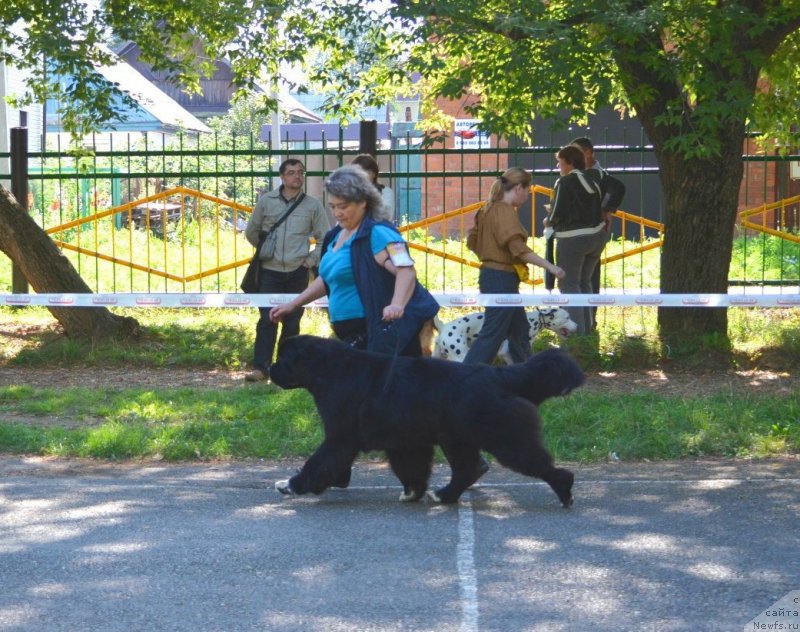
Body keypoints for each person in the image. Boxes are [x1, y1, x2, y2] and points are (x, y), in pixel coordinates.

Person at [270, 164, 437, 358]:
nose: (337, 213)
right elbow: (327, 279)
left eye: (343, 206)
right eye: (333, 206)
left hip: (379, 334)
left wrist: (397, 305)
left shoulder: (380, 232)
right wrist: (293, 305)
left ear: (363, 202)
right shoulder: (334, 236)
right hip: (349, 333)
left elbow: (405, 270)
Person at [463, 167, 565, 365]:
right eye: (528, 190)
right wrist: (551, 267)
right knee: (493, 333)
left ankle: (525, 373)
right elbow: (518, 249)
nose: (527, 196)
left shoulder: (486, 209)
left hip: (494, 276)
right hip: (501, 279)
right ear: (518, 188)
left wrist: (490, 256)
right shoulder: (504, 211)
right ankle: (467, 375)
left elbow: (472, 241)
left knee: (519, 330)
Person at [244, 159, 330, 382]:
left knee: (292, 322)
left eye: (300, 172)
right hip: (269, 271)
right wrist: (266, 251)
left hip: (297, 271)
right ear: (282, 177)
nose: (297, 176)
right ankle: (260, 368)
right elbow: (252, 231)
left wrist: (309, 261)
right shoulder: (267, 201)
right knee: (267, 320)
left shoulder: (313, 205)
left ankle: (285, 369)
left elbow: (325, 238)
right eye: (291, 173)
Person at [544, 145, 608, 335]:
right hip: (596, 236)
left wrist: (548, 220)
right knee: (585, 282)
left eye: (560, 162)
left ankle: (576, 335)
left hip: (573, 239)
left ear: (570, 163)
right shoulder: (592, 179)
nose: (558, 166)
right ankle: (587, 329)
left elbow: (557, 212)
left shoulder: (565, 182)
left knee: (569, 284)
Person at [570, 137, 626, 329]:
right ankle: (581, 320)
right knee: (581, 277)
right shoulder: (580, 172)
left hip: (591, 232)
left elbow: (618, 189)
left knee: (588, 276)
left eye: (577, 153)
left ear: (588, 153)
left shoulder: (598, 174)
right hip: (579, 232)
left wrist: (606, 210)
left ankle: (588, 320)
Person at [351, 154, 395, 222]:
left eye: (365, 172)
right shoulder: (349, 193)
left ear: (374, 174)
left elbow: (386, 216)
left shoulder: (386, 192)